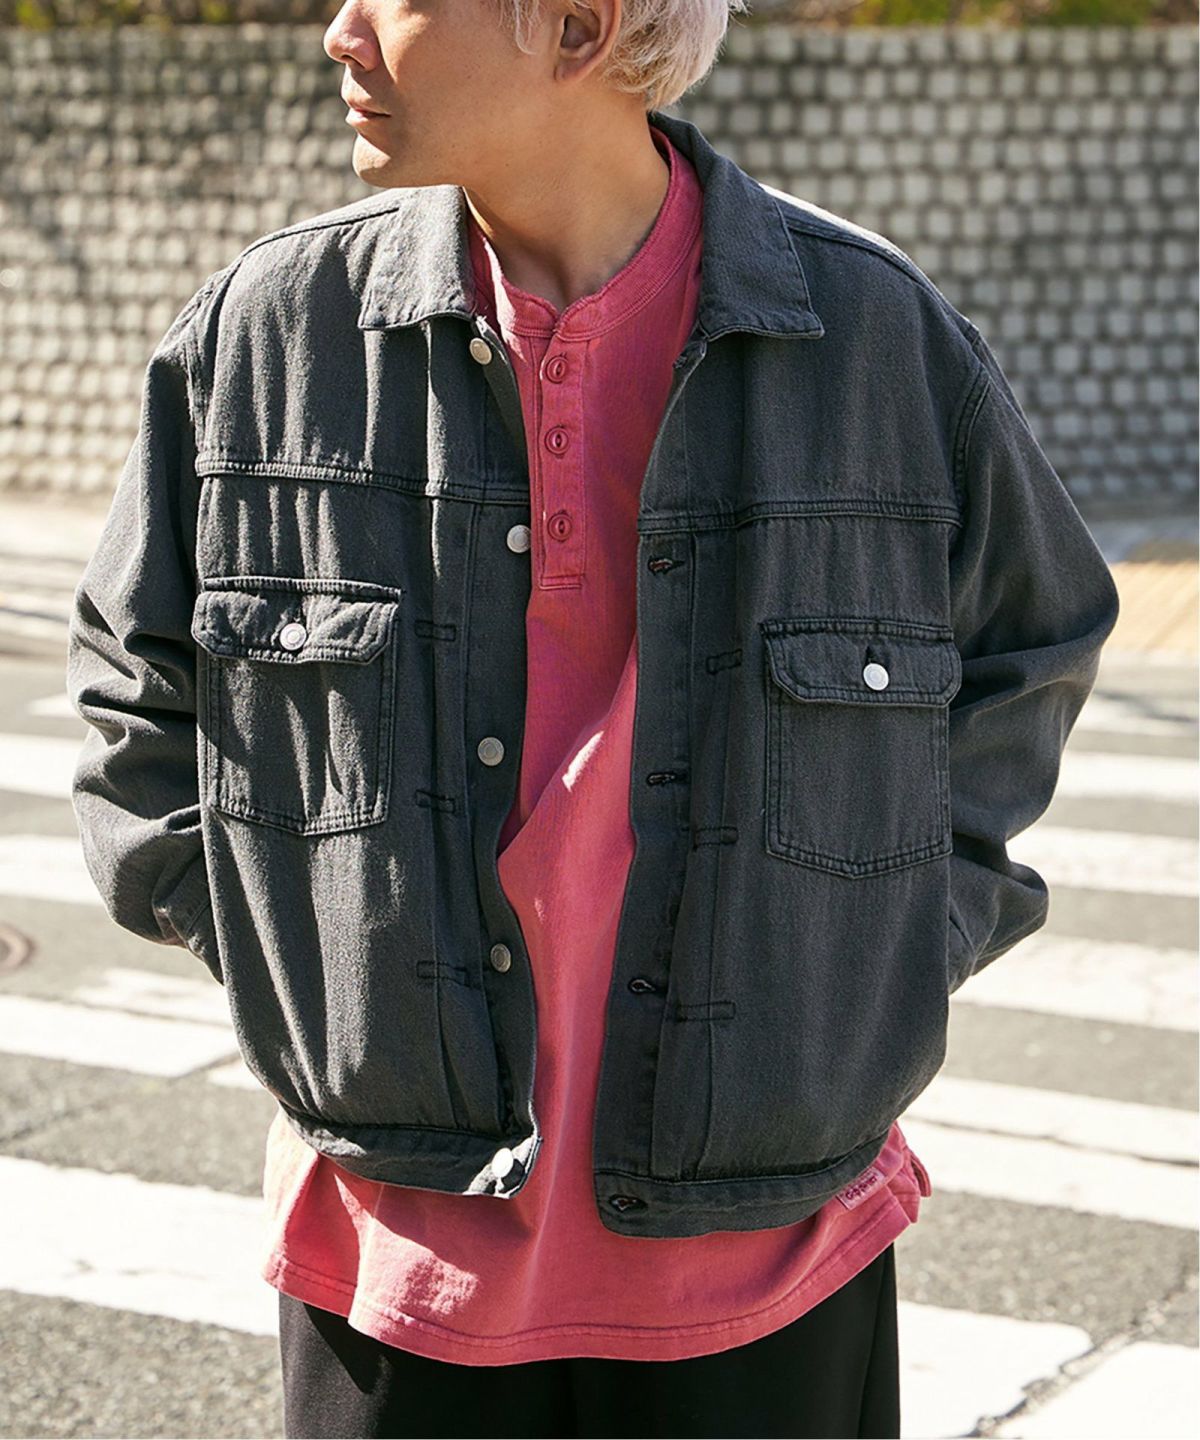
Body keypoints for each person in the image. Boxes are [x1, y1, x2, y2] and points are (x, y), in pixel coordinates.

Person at [65, 2, 1120, 1437]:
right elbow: (134, 690)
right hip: (394, 1255)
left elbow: (1035, 639)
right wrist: (292, 965)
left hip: (768, 1256)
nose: (338, 32)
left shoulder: (871, 336)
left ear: (576, 26)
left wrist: (880, 958)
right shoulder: (270, 338)